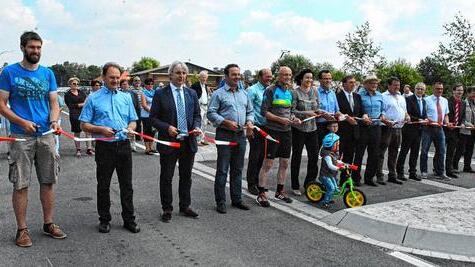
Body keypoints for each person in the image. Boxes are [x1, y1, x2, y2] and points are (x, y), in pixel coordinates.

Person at [0, 31, 67, 247]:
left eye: (38, 47)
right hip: (21, 137)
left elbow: (54, 103)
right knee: (21, 184)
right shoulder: (9, 72)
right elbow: (1, 104)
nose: (35, 51)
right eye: (31, 47)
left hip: (46, 135)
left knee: (48, 182)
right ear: (23, 48)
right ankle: (22, 230)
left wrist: (55, 120)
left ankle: (48, 224)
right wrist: (21, 122)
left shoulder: (47, 74)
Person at [79, 62, 140, 234]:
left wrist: (131, 128)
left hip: (123, 146)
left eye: (117, 77)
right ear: (103, 77)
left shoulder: (126, 97)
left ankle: (129, 219)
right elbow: (84, 124)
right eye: (111, 77)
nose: (115, 80)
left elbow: (133, 120)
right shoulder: (93, 98)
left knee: (126, 185)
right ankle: (104, 219)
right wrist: (100, 130)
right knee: (103, 185)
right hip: (104, 147)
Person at [149, 61, 201, 222]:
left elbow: (197, 115)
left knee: (186, 176)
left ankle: (185, 206)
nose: (181, 76)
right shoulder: (160, 94)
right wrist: (166, 128)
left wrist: (197, 127)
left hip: (188, 142)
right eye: (178, 73)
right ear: (170, 75)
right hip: (169, 142)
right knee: (167, 177)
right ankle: (167, 209)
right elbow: (152, 118)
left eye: (184, 73)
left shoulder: (191, 93)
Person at [207, 63, 253, 214]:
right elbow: (211, 113)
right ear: (226, 76)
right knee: (222, 169)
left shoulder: (244, 93)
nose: (237, 77)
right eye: (234, 74)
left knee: (238, 169)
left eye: (238, 74)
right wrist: (225, 122)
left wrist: (250, 121)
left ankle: (237, 199)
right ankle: (220, 201)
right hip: (225, 135)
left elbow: (250, 111)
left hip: (240, 135)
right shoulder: (218, 94)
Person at [257, 66, 301, 207]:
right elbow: (265, 112)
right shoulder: (270, 90)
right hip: (273, 131)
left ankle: (279, 191)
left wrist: (295, 119)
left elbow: (291, 111)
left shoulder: (292, 92)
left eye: (289, 75)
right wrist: (280, 120)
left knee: (284, 163)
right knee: (268, 163)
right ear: (279, 76)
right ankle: (262, 193)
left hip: (287, 132)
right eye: (285, 75)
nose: (287, 77)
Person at [354, 75, 388, 186]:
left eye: (376, 83)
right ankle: (356, 178)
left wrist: (383, 114)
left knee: (374, 154)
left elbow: (383, 108)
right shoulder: (359, 95)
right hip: (363, 127)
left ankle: (369, 178)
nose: (374, 85)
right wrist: (363, 116)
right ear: (366, 84)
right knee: (359, 154)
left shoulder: (379, 95)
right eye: (372, 83)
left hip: (376, 127)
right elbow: (357, 110)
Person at [290, 69, 320, 196]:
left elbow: (317, 107)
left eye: (311, 78)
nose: (309, 80)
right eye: (307, 78)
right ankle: (295, 185)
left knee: (314, 157)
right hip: (299, 129)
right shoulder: (295, 92)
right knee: (296, 157)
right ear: (301, 79)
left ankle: (310, 183)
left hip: (312, 129)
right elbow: (291, 111)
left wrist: (320, 112)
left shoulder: (315, 91)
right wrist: (306, 113)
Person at [376, 77, 410, 185]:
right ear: (389, 85)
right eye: (395, 85)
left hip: (399, 128)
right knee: (381, 153)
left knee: (394, 152)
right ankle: (379, 175)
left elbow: (404, 111)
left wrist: (407, 116)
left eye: (398, 85)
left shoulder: (401, 97)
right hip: (386, 128)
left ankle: (392, 175)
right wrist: (386, 120)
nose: (397, 87)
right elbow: (381, 112)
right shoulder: (383, 96)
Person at [245, 68, 272, 195]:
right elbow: (247, 109)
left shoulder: (270, 90)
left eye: (271, 76)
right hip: (255, 127)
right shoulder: (252, 90)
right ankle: (251, 184)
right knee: (255, 156)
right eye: (267, 76)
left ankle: (258, 182)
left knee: (262, 156)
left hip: (267, 127)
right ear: (260, 77)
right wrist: (248, 127)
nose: (269, 78)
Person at [420, 82, 452, 180]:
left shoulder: (444, 100)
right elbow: (422, 114)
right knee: (425, 151)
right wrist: (425, 119)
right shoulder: (426, 100)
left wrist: (447, 123)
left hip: (440, 128)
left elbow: (446, 114)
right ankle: (424, 171)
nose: (440, 91)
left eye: (441, 89)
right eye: (438, 88)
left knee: (442, 151)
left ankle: (440, 172)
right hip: (428, 129)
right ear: (433, 89)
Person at [396, 82, 427, 181]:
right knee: (404, 151)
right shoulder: (408, 99)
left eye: (422, 89)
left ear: (424, 91)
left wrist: (425, 119)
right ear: (414, 89)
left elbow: (423, 114)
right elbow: (407, 113)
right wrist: (418, 120)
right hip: (409, 130)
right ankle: (400, 172)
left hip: (419, 130)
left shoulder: (424, 101)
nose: (420, 90)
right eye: (418, 88)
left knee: (415, 152)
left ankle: (412, 172)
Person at [336, 75, 363, 186]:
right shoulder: (337, 96)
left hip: (353, 133)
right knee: (336, 158)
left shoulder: (357, 96)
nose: (353, 84)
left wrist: (364, 116)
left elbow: (360, 112)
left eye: (354, 82)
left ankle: (345, 180)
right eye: (351, 82)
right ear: (344, 84)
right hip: (340, 131)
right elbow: (336, 112)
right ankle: (331, 180)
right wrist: (347, 118)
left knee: (348, 158)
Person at [64, 77, 93, 157]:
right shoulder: (67, 95)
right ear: (70, 84)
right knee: (77, 132)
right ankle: (78, 149)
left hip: (84, 113)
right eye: (74, 83)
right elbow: (70, 105)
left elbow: (86, 101)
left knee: (88, 131)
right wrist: (80, 105)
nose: (76, 85)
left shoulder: (81, 92)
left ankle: (89, 149)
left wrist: (84, 104)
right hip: (74, 114)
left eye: (77, 84)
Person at [445, 84, 466, 178]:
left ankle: (449, 170)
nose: (460, 92)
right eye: (458, 90)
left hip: (456, 131)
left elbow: (463, 116)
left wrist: (462, 123)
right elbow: (444, 114)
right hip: (446, 129)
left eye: (461, 90)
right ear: (453, 91)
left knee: (451, 151)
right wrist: (448, 123)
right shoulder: (447, 101)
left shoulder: (463, 103)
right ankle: (437, 168)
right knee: (440, 151)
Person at [316, 70, 341, 148]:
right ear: (320, 80)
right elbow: (314, 109)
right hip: (319, 125)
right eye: (325, 78)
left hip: (332, 125)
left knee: (331, 151)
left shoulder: (332, 93)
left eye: (330, 78)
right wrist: (323, 114)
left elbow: (337, 109)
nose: (328, 81)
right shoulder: (315, 92)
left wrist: (339, 114)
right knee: (317, 151)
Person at [319, 131, 343, 209]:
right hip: (325, 176)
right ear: (330, 145)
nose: (338, 145)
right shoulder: (327, 156)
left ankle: (329, 198)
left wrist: (344, 164)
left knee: (335, 188)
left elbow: (336, 161)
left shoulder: (332, 153)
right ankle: (325, 202)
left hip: (330, 175)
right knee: (331, 188)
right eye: (337, 144)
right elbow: (330, 165)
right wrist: (339, 168)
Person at [454, 86, 475, 173]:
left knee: (470, 149)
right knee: (460, 149)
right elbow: (461, 118)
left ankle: (467, 166)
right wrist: (469, 124)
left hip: (473, 130)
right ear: (468, 93)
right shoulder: (463, 103)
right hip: (465, 129)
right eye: (473, 93)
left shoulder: (474, 103)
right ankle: (454, 166)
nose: (474, 95)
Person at [119, 79, 140, 152]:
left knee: (132, 130)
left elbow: (137, 105)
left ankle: (133, 145)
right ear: (120, 86)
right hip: (122, 115)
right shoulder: (118, 94)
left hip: (131, 114)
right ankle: (124, 144)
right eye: (123, 84)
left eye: (126, 84)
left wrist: (137, 114)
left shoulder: (133, 94)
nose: (125, 86)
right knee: (124, 129)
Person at [191, 70, 211, 145]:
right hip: (199, 106)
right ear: (199, 77)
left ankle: (202, 139)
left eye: (205, 77)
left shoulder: (206, 86)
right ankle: (197, 140)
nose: (204, 79)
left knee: (205, 123)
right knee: (199, 123)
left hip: (205, 106)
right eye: (202, 77)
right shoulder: (195, 85)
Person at [140, 78, 156, 155]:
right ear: (145, 85)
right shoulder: (143, 93)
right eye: (148, 84)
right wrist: (152, 112)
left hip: (153, 115)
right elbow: (144, 105)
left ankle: (151, 147)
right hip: (146, 115)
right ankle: (147, 148)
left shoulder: (154, 92)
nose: (150, 85)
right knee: (147, 131)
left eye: (151, 84)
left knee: (153, 131)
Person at [131, 76, 143, 143]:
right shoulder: (131, 90)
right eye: (135, 80)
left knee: (139, 123)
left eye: (138, 80)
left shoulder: (142, 90)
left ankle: (138, 136)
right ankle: (133, 136)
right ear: (133, 82)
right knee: (133, 122)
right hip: (133, 108)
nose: (137, 82)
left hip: (141, 108)